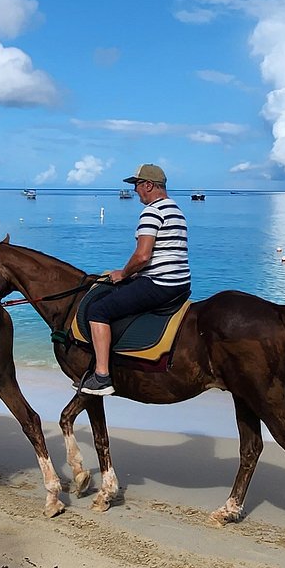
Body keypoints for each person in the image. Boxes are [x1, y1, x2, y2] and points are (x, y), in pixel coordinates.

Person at [79, 163, 190, 396]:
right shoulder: (175, 210)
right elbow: (165, 254)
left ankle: (102, 376)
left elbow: (142, 255)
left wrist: (124, 273)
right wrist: (137, 272)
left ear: (149, 185)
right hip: (180, 283)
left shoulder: (152, 211)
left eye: (137, 185)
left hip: (160, 285)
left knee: (98, 310)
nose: (135, 190)